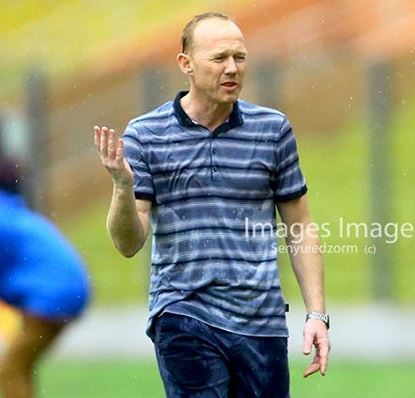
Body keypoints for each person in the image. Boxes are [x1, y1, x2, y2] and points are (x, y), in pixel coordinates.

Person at [94, 11, 330, 397]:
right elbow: (128, 243)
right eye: (219, 59)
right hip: (184, 313)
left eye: (240, 57)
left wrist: (317, 314)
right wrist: (123, 186)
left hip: (261, 321)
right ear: (185, 64)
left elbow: (300, 225)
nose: (232, 68)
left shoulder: (273, 130)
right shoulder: (145, 134)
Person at [0, 157, 90, 398]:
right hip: (67, 290)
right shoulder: (13, 212)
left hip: (53, 295)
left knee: (11, 368)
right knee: (19, 366)